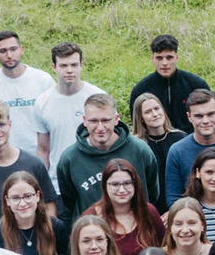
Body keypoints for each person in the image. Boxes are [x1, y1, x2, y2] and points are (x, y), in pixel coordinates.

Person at [55, 93, 161, 224]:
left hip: (136, 231)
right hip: (92, 233)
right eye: (93, 121)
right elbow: (69, 200)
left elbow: (152, 192)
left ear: (116, 119)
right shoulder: (70, 159)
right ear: (85, 120)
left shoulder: (140, 150)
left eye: (105, 120)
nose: (100, 128)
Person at [0, 31, 57, 159]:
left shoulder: (43, 80)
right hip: (2, 158)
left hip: (40, 156)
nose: (9, 55)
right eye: (3, 51)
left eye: (13, 49)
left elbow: (54, 119)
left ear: (21, 50)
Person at [33, 42, 106, 182]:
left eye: (74, 65)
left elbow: (111, 140)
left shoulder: (98, 96)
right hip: (59, 182)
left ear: (81, 65)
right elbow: (43, 150)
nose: (69, 70)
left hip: (94, 179)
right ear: (54, 67)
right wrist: (41, 183)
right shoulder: (42, 102)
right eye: (63, 65)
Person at [128, 33, 211, 136]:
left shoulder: (196, 85)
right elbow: (137, 125)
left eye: (169, 57)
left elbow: (210, 116)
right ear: (152, 59)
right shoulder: (141, 90)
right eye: (159, 58)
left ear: (177, 57)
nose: (164, 63)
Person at [84, 158, 165, 255]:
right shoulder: (92, 217)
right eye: (115, 184)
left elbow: (164, 247)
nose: (122, 189)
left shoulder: (149, 212)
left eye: (127, 183)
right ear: (105, 185)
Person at [0, 172, 59, 255]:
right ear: (7, 201)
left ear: (37, 196)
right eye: (15, 198)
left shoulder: (56, 228)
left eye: (28, 196)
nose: (22, 203)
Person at [130, 93, 187, 191]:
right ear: (141, 118)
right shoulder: (137, 145)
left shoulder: (180, 138)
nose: (155, 114)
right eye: (148, 112)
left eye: (157, 108)